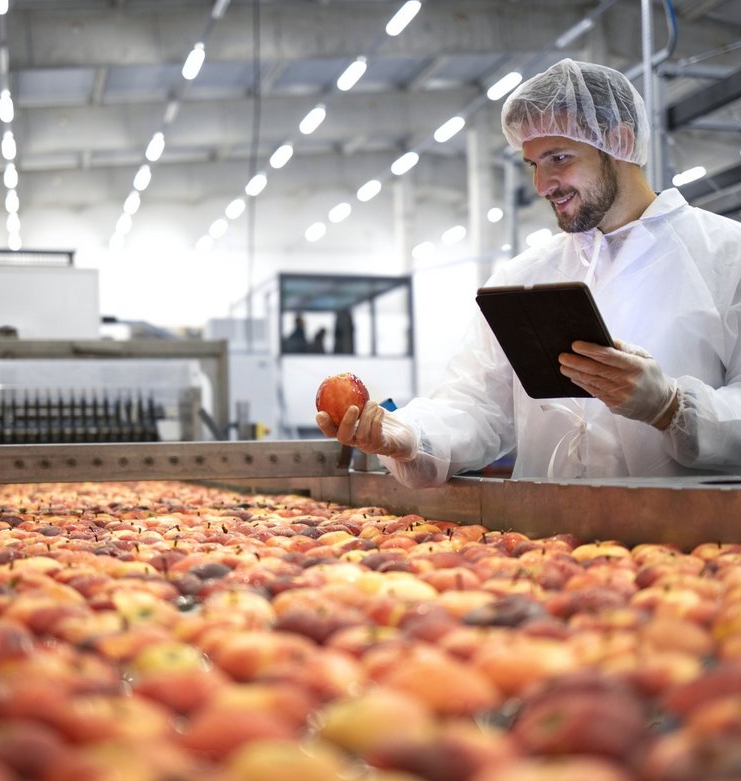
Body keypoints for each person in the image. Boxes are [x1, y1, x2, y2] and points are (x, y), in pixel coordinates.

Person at [316, 58, 741, 487]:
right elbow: (477, 406)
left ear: (619, 140)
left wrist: (672, 409)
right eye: (533, 163)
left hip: (694, 541)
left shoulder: (726, 255)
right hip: (542, 540)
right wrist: (409, 435)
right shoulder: (524, 276)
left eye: (559, 157)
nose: (543, 184)